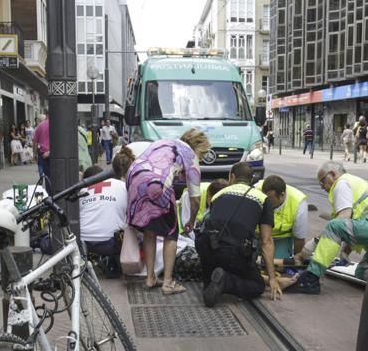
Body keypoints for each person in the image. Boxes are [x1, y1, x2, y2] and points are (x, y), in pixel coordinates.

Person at [288, 161, 368, 294]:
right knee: (363, 272)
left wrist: (315, 243)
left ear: (332, 174)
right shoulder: (353, 182)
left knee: (333, 225)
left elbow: (343, 219)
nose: (322, 187)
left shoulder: (341, 184)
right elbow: (352, 223)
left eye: (322, 181)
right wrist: (346, 251)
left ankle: (311, 278)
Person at [126, 128, 207, 295]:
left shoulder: (163, 143)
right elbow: (195, 198)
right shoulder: (190, 155)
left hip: (134, 178)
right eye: (203, 154)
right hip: (157, 184)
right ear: (198, 148)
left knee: (150, 230)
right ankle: (168, 283)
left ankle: (150, 279)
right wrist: (191, 221)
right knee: (171, 233)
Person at [196, 162, 281, 306]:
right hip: (233, 253)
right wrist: (272, 278)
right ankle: (226, 282)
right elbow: (266, 241)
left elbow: (211, 222)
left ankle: (213, 281)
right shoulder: (263, 199)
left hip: (206, 247)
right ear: (251, 179)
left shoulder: (219, 194)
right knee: (257, 286)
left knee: (211, 282)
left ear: (232, 177)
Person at [79, 163, 129, 278]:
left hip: (83, 243)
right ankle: (111, 259)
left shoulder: (83, 190)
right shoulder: (121, 186)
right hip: (111, 243)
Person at [255, 175, 308, 259]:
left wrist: (296, 261)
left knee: (278, 264)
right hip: (256, 235)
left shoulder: (298, 203)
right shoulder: (255, 190)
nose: (266, 204)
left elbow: (299, 239)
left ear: (282, 195)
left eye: (270, 201)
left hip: (280, 239)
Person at [33, 109, 50, 179]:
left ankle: (47, 187)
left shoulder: (40, 126)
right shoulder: (59, 124)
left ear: (46, 114)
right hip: (56, 155)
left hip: (43, 154)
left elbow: (35, 142)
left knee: (47, 176)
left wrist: (35, 154)